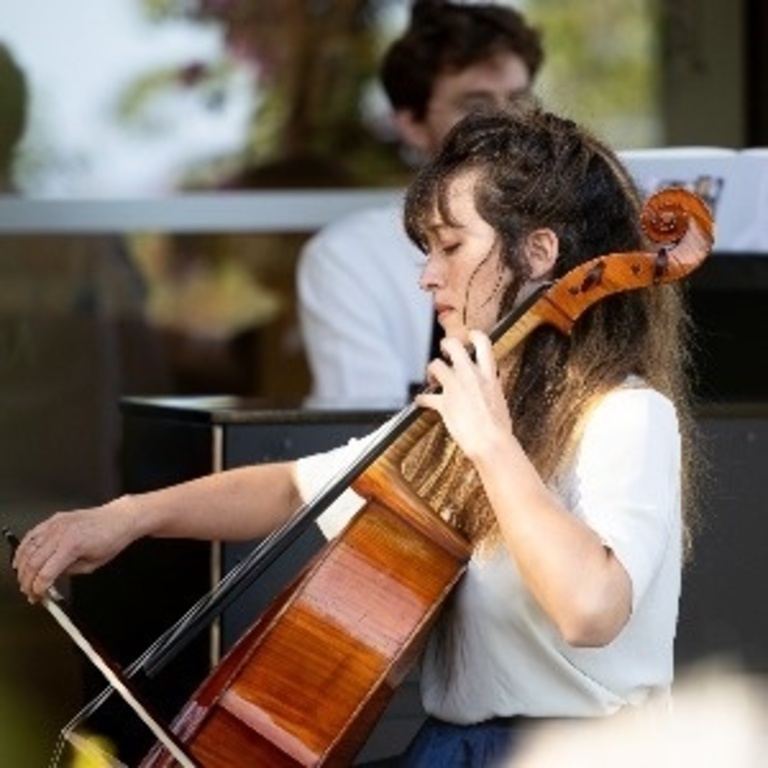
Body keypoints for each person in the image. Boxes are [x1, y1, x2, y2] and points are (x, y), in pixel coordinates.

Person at [12, 102, 702, 767]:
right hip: (453, 749)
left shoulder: (624, 416)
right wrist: (126, 517)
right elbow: (292, 487)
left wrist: (492, 444)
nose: (428, 275)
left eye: (451, 245)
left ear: (539, 252)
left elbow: (590, 610)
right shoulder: (459, 416)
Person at [297, 0, 545, 408]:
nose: (507, 123)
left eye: (518, 99)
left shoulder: (566, 232)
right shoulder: (348, 255)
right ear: (411, 123)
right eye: (475, 105)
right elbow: (364, 426)